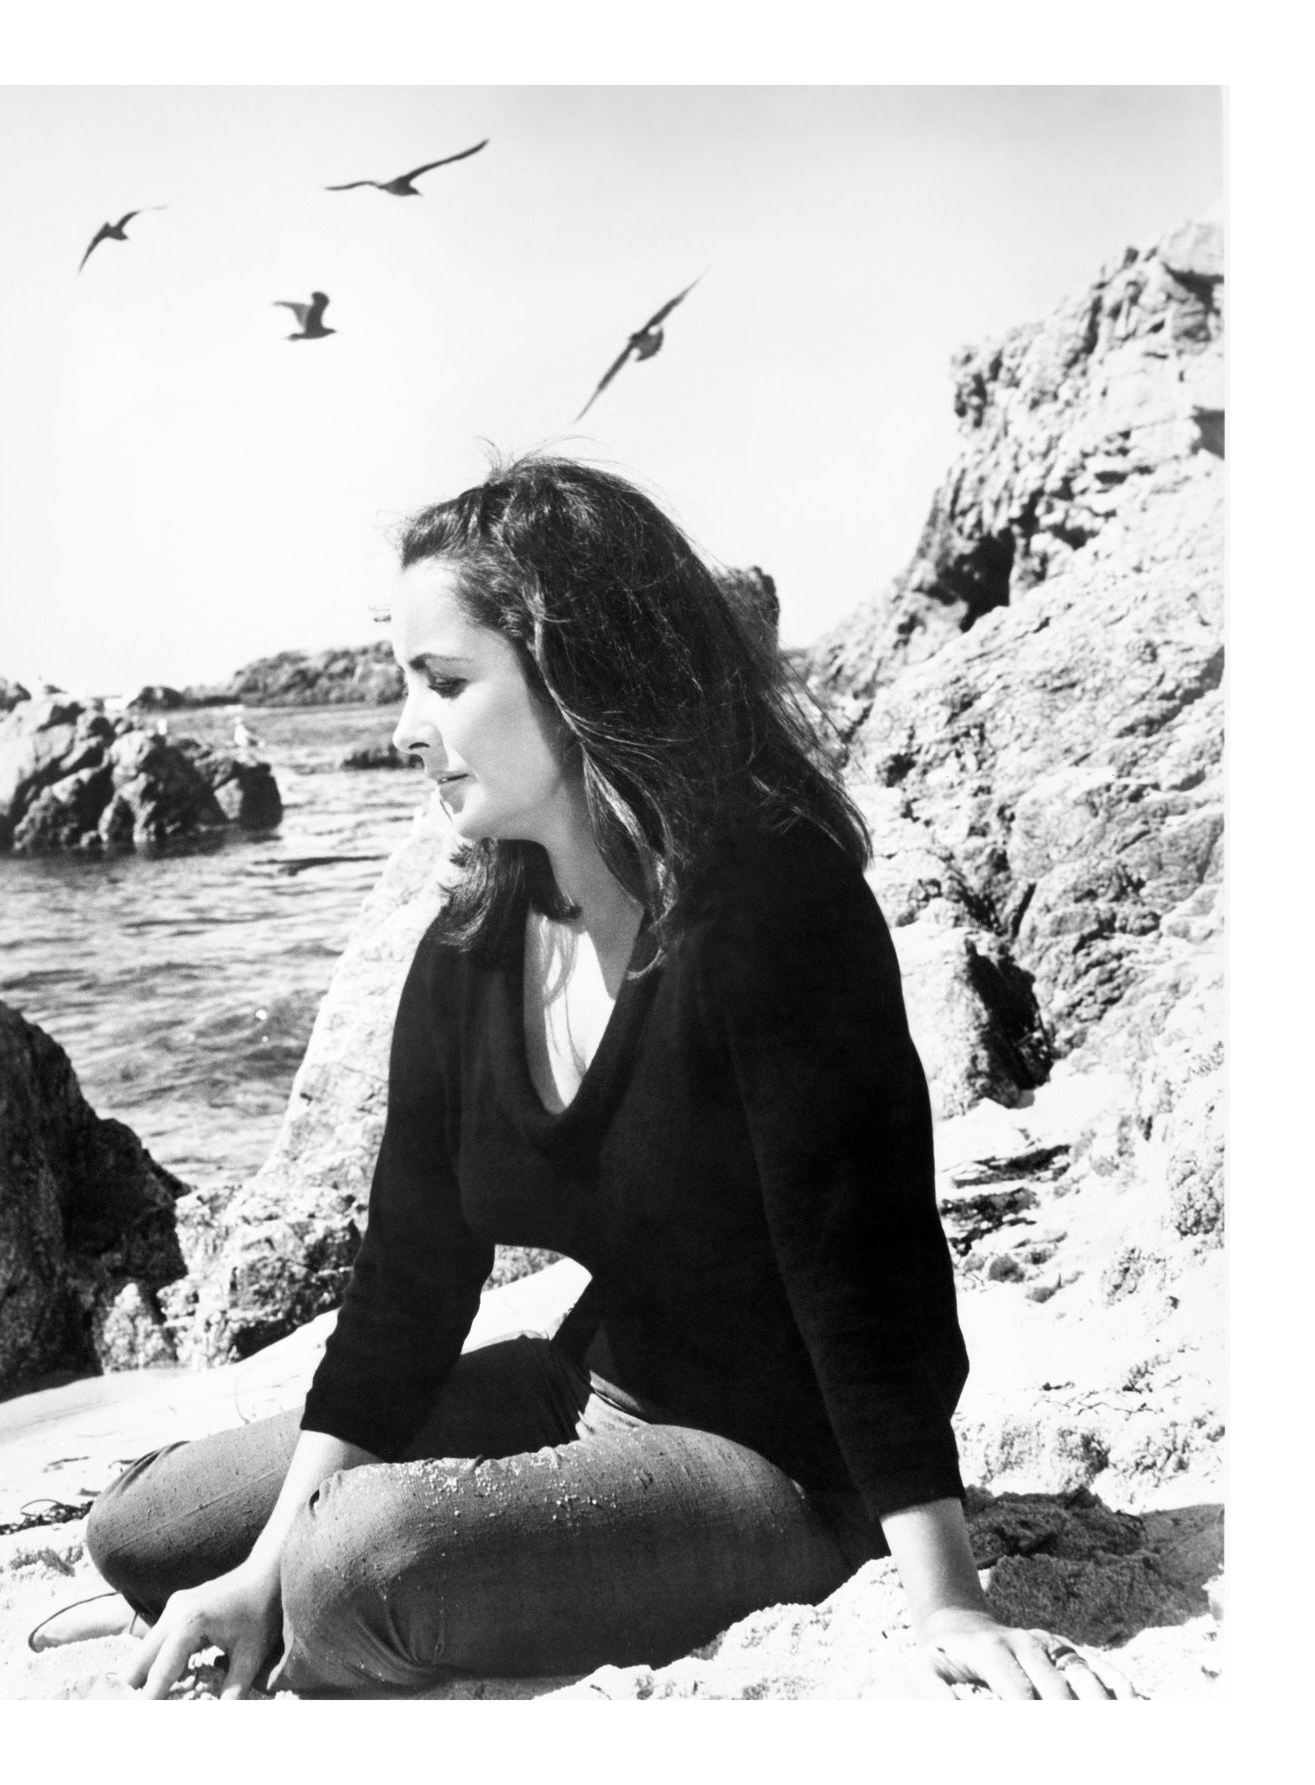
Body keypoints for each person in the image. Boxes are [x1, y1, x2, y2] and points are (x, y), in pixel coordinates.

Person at [71, 455, 1122, 1700]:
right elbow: (407, 1288)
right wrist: (254, 1558)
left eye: (444, 683)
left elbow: (864, 1273)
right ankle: (273, 1590)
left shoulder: (771, 912)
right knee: (141, 1530)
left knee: (354, 1567)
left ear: (574, 678)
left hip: (781, 1463)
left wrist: (948, 1605)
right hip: (586, 1385)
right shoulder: (470, 951)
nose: (407, 729)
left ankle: (325, 1602)